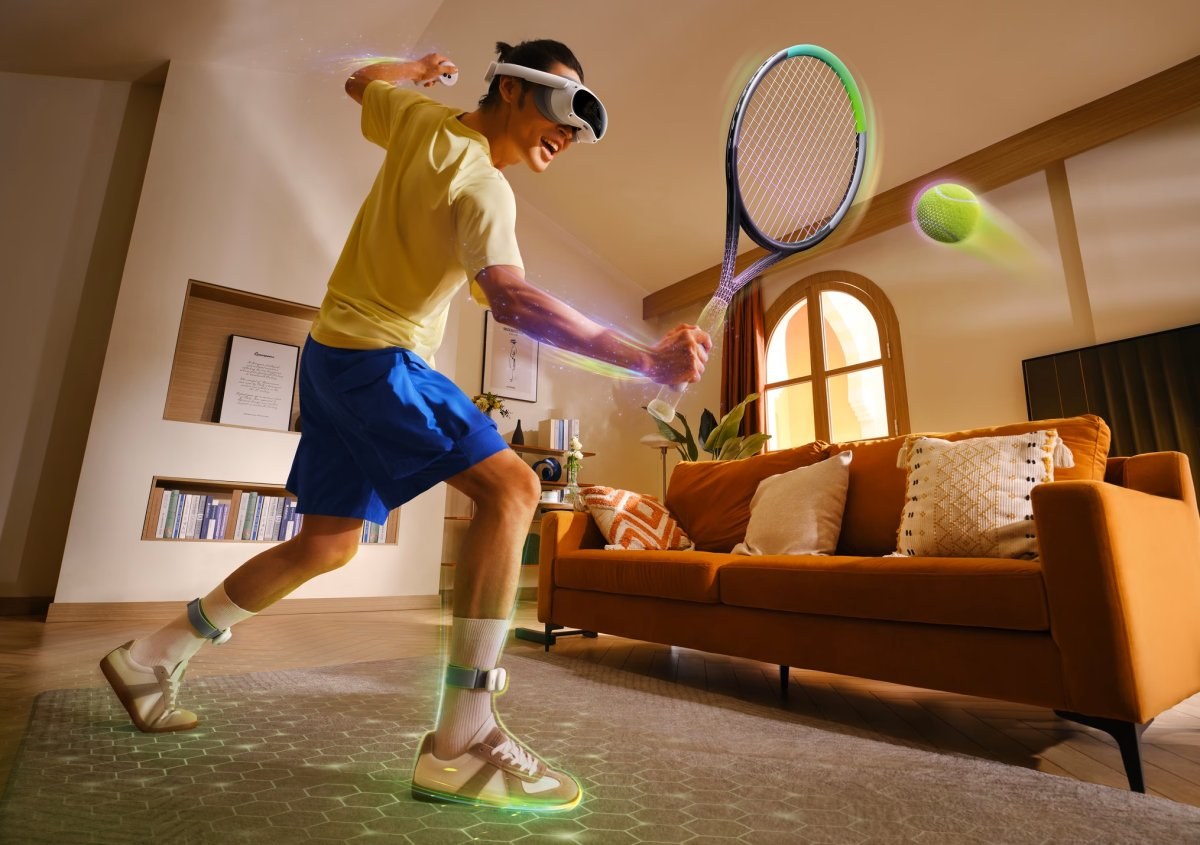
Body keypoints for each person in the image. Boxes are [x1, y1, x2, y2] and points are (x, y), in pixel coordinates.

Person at [99, 39, 710, 812]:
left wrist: (413, 73)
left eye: (583, 126)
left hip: (330, 355)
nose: (571, 132)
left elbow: (362, 83)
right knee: (514, 488)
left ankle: (154, 655)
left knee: (327, 543)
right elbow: (513, 300)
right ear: (512, 89)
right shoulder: (483, 184)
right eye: (564, 107)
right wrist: (643, 358)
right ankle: (463, 738)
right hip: (378, 359)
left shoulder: (418, 117)